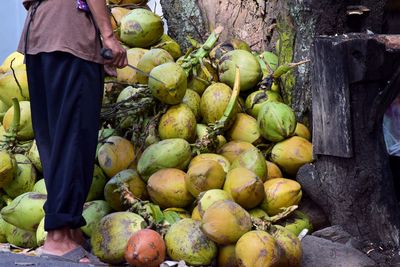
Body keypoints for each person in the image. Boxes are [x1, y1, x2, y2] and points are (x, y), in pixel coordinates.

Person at [17, 0, 127, 264]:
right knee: (74, 135)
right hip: (70, 33)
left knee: (53, 137)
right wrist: (108, 36)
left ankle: (69, 229)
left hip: (39, 32)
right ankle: (58, 236)